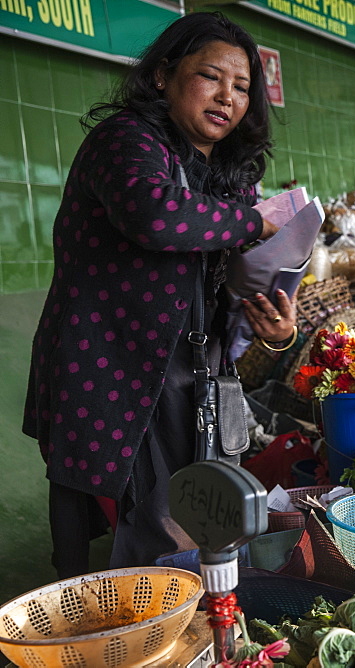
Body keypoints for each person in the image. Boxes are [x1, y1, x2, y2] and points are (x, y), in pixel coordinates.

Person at [22, 12, 299, 577]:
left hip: (190, 376)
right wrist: (250, 223)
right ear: (162, 77)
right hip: (111, 369)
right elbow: (152, 214)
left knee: (194, 524)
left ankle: (185, 634)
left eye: (242, 87)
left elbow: (237, 282)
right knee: (111, 536)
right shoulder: (124, 140)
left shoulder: (228, 175)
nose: (227, 96)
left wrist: (276, 330)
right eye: (210, 77)